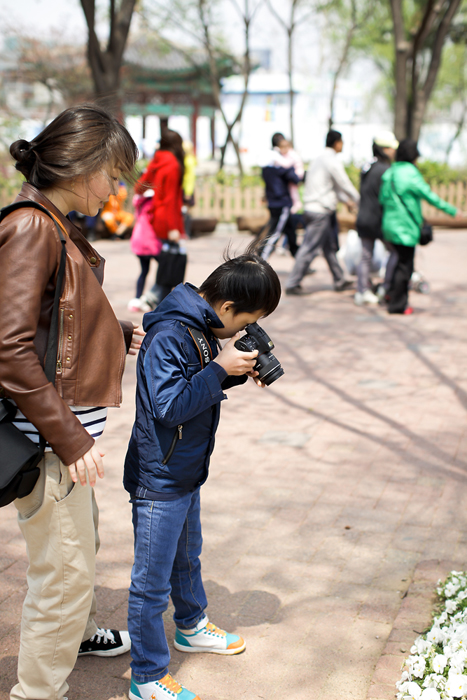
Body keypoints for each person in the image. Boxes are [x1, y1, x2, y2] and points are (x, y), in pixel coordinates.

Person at [0, 104, 144, 700]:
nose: (116, 188)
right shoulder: (34, 225)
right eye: (113, 173)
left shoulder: (55, 222)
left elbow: (52, 322)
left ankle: (78, 636)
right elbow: (8, 348)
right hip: (50, 442)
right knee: (62, 575)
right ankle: (38, 691)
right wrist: (71, 438)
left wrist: (119, 334)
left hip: (64, 440)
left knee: (80, 551)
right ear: (83, 165)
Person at [123, 249, 282, 700]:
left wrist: (230, 372)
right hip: (160, 478)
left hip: (186, 470)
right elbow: (169, 407)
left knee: (187, 556)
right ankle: (148, 676)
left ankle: (191, 626)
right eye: (247, 320)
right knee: (150, 585)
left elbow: (195, 385)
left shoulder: (201, 325)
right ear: (227, 308)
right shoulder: (171, 334)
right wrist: (219, 368)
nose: (243, 330)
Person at [379, 138, 459, 314]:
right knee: (404, 266)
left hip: (389, 226)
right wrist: (453, 211)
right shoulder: (410, 173)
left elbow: (382, 199)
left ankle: (389, 295)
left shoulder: (390, 172)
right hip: (405, 228)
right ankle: (398, 305)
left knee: (395, 260)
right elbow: (429, 196)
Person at [285, 129, 360, 295]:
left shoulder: (318, 159)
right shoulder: (332, 161)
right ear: (337, 143)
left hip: (314, 208)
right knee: (309, 248)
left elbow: (330, 187)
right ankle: (292, 283)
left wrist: (346, 201)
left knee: (329, 247)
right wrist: (359, 199)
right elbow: (344, 183)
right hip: (320, 211)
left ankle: (340, 279)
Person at [135, 129, 186, 308]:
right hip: (168, 219)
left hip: (155, 217)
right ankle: (155, 301)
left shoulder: (156, 160)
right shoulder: (173, 164)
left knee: (165, 261)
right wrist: (174, 227)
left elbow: (139, 187)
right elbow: (171, 198)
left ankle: (153, 298)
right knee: (169, 263)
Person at [354, 131, 398, 306]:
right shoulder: (386, 170)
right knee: (395, 251)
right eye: (391, 148)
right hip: (377, 220)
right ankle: (385, 287)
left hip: (363, 217)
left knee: (365, 256)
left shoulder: (367, 167)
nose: (393, 151)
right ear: (383, 149)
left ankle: (361, 291)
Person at [259, 133, 301, 260]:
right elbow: (296, 179)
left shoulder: (267, 164)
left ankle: (301, 262)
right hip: (282, 203)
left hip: (274, 202)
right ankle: (261, 259)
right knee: (275, 233)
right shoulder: (282, 164)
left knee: (291, 233)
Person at [127, 189, 162, 312]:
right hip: (150, 240)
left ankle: (136, 299)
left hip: (138, 239)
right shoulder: (153, 202)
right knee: (164, 268)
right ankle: (154, 297)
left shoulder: (140, 202)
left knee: (144, 271)